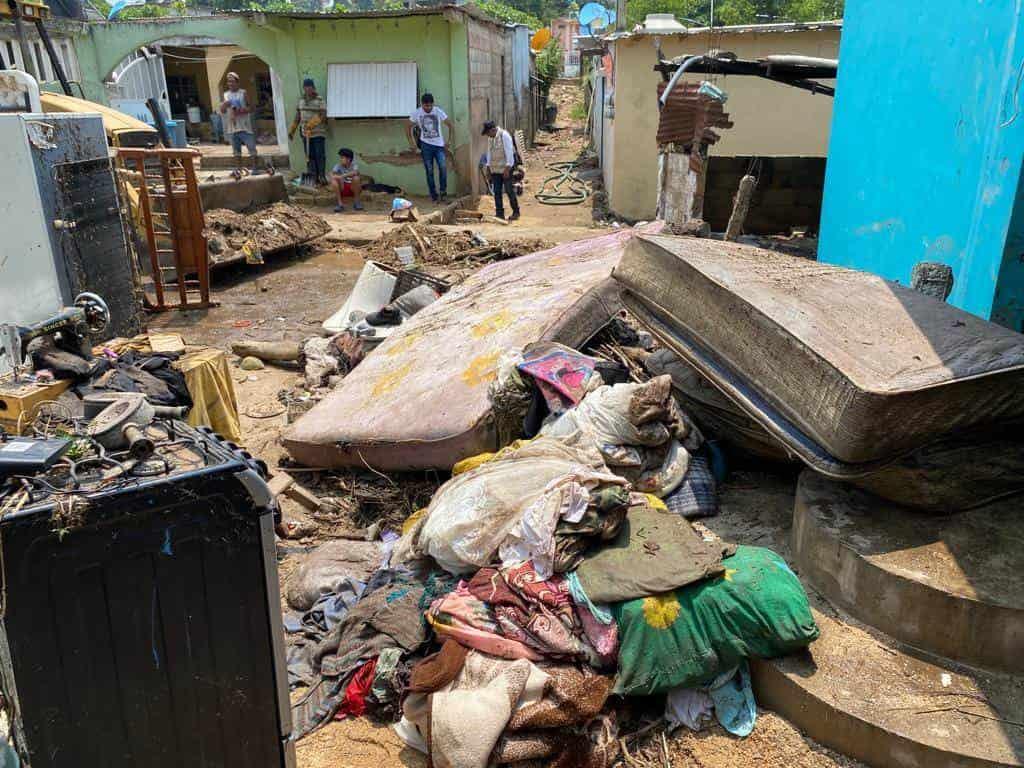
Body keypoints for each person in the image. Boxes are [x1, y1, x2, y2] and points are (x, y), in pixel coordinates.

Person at [407, 92, 453, 203]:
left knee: (442, 168)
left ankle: (443, 193)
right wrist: (412, 143)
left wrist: (449, 141)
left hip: (439, 146)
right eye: (426, 106)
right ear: (422, 104)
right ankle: (434, 195)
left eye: (430, 106)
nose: (428, 108)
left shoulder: (438, 111)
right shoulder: (417, 113)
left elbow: (450, 125)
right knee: (429, 171)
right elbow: (407, 126)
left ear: (433, 104)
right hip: (425, 145)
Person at [291, 77, 328, 185]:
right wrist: (292, 130)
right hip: (305, 134)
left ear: (313, 88)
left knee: (319, 155)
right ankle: (313, 177)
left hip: (318, 133)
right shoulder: (301, 100)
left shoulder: (320, 100)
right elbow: (298, 115)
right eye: (306, 87)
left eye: (310, 87)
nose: (308, 89)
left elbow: (323, 115)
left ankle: (321, 176)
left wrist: (311, 124)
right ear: (303, 88)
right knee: (309, 156)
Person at [482, 120, 520, 221]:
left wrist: (507, 169)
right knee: (497, 192)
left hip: (506, 168)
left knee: (509, 190)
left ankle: (516, 212)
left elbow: (509, 154)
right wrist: (488, 168)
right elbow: (489, 153)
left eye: (488, 133)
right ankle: (499, 214)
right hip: (495, 170)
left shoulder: (504, 135)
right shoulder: (490, 138)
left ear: (493, 130)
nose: (487, 135)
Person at [219, 72, 257, 170]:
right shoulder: (226, 95)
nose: (230, 83)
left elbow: (251, 108)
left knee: (252, 149)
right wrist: (224, 105)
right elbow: (223, 111)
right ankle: (239, 170)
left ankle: (255, 169)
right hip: (233, 127)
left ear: (237, 82)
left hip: (245, 126)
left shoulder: (243, 93)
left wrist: (241, 110)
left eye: (232, 81)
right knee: (236, 151)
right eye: (228, 82)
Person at [330, 148, 364, 212]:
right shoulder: (338, 166)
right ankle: (340, 204)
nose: (341, 159)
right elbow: (331, 174)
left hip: (352, 188)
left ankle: (357, 202)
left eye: (342, 158)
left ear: (348, 159)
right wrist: (337, 178)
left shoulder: (354, 165)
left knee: (356, 178)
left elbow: (355, 172)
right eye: (341, 157)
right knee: (333, 181)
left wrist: (342, 176)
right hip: (342, 188)